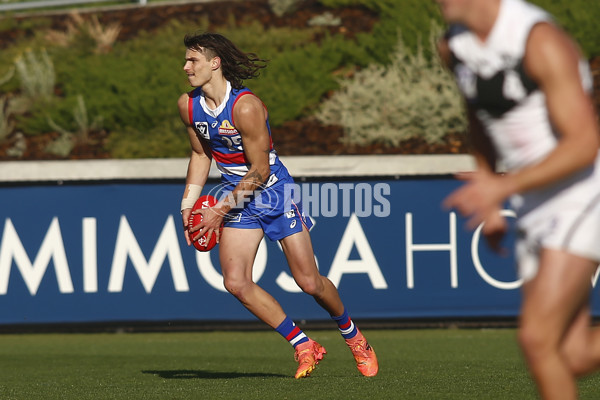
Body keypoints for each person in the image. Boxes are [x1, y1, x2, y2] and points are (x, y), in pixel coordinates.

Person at [177, 32, 378, 379]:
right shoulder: (188, 105)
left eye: (193, 60)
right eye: (185, 60)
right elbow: (200, 154)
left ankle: (355, 338)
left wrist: (220, 210)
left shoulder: (246, 106)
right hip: (235, 195)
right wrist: (188, 205)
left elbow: (260, 170)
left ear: (215, 63)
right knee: (236, 282)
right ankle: (303, 344)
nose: (185, 66)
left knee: (309, 282)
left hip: (272, 192)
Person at [436, 0, 600, 398]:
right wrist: (491, 192)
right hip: (531, 201)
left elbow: (584, 144)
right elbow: (477, 118)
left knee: (537, 340)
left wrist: (500, 188)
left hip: (582, 191)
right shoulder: (452, 45)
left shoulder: (539, 40)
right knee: (573, 355)